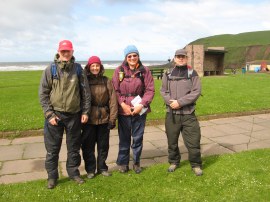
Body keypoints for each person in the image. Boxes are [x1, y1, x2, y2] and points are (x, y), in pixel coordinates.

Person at [39, 40, 91, 189]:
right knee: (52, 149)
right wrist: (49, 114)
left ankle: (74, 173)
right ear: (59, 52)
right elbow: (43, 94)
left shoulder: (78, 69)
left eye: (68, 51)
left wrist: (85, 112)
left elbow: (86, 93)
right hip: (55, 116)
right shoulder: (51, 70)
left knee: (73, 147)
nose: (65, 53)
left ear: (72, 52)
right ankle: (52, 177)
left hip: (74, 116)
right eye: (63, 51)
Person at [112, 45, 155, 174]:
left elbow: (150, 90)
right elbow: (115, 90)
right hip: (123, 109)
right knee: (124, 138)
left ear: (138, 56)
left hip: (139, 109)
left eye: (134, 55)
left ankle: (136, 162)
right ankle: (123, 163)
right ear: (126, 57)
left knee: (137, 137)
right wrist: (122, 104)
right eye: (129, 56)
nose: (132, 58)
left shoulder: (145, 71)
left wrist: (141, 105)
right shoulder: (118, 70)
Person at [160, 48, 203, 176]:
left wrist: (180, 102)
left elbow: (196, 92)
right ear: (174, 58)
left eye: (183, 56)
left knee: (193, 141)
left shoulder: (192, 73)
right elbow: (163, 91)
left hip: (188, 114)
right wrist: (171, 102)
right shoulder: (168, 73)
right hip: (171, 114)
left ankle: (196, 164)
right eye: (178, 56)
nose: (180, 58)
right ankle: (174, 162)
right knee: (172, 141)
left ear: (186, 58)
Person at [81, 56, 118, 179]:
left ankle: (102, 167)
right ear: (89, 67)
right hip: (88, 119)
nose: (95, 68)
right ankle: (90, 170)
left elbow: (113, 100)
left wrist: (112, 118)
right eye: (93, 66)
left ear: (100, 67)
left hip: (104, 117)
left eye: (97, 65)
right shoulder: (84, 80)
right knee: (88, 146)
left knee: (103, 145)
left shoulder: (106, 80)